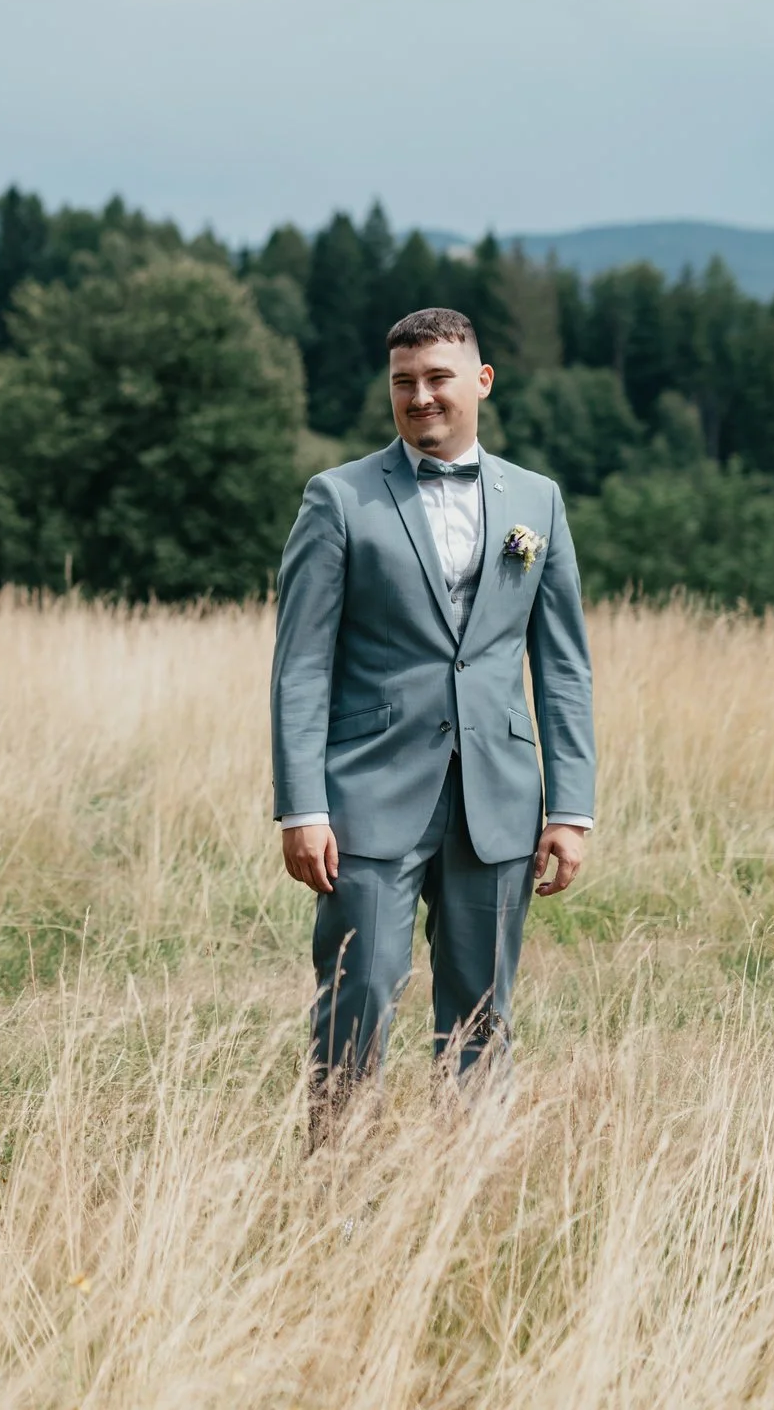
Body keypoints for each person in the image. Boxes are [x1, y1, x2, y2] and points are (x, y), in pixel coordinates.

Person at [269, 306, 595, 1146]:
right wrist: (301, 806)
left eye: (437, 378)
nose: (420, 397)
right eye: (403, 383)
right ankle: (333, 1183)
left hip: (500, 797)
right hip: (368, 795)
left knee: (483, 1010)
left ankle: (465, 1193)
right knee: (359, 995)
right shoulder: (337, 497)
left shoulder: (537, 502)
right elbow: (301, 662)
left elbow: (561, 665)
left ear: (480, 381)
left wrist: (572, 806)